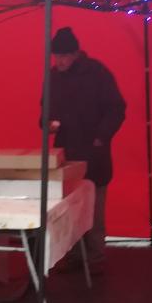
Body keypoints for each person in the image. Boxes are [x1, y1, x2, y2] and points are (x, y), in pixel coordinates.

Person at [45, 27, 126, 269]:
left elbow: (116, 108)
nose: (58, 61)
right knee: (68, 208)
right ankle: (73, 255)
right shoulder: (53, 77)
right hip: (66, 153)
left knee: (94, 207)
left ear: (75, 53)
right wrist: (47, 123)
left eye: (63, 56)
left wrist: (101, 137)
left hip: (94, 153)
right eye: (56, 56)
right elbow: (45, 107)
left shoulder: (97, 73)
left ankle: (95, 256)